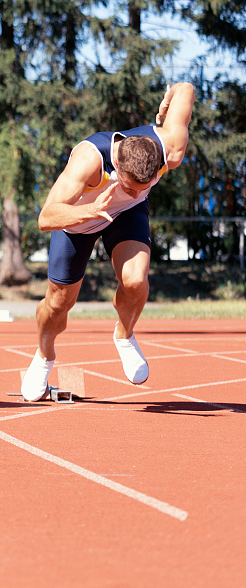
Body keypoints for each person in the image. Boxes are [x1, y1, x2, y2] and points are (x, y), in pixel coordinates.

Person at [21, 83, 195, 400]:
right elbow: (46, 217)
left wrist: (169, 98)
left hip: (125, 215)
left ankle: (124, 335)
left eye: (144, 186)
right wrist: (91, 209)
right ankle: (44, 357)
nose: (137, 191)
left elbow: (186, 88)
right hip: (79, 218)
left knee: (135, 280)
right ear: (118, 167)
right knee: (57, 306)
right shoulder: (89, 160)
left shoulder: (170, 148)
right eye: (129, 187)